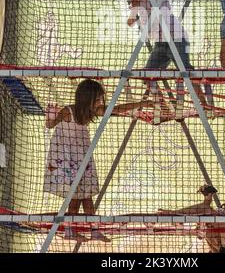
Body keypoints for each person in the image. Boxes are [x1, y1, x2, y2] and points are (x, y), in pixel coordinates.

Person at [44, 78, 153, 241]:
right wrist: (50, 115)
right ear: (87, 99)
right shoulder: (68, 111)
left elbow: (117, 108)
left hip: (81, 156)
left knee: (87, 194)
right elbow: (50, 125)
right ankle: (69, 232)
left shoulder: (93, 111)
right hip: (66, 157)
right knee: (75, 197)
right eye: (97, 100)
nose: (100, 103)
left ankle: (94, 230)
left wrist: (141, 104)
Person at [127, 0, 207, 115]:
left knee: (186, 71)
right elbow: (130, 22)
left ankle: (204, 105)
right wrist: (135, 3)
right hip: (160, 43)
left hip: (176, 39)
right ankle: (164, 108)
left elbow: (156, 7)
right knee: (147, 75)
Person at [158, 184, 225, 253]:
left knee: (210, 214)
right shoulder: (212, 218)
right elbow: (200, 235)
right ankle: (177, 215)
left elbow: (200, 233)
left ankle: (177, 215)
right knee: (208, 214)